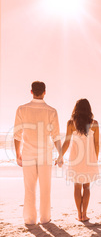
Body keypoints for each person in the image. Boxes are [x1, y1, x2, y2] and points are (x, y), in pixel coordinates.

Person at [13, 81, 63, 225]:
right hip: (45, 154)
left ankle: (30, 219)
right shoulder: (51, 111)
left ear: (31, 92)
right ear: (44, 92)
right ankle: (45, 218)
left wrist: (17, 154)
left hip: (28, 153)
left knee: (29, 188)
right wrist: (60, 155)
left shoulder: (22, 109)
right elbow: (56, 136)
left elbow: (17, 135)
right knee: (45, 187)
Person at [59, 99, 99, 221]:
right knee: (86, 187)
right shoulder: (94, 123)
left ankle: (79, 214)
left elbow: (66, 141)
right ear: (89, 109)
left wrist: (60, 155)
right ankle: (84, 214)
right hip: (89, 160)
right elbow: (96, 144)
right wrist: (95, 159)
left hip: (75, 159)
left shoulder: (71, 123)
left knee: (77, 186)